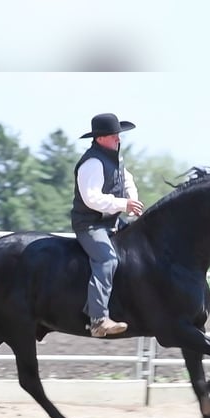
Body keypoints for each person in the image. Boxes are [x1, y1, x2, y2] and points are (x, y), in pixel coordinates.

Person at [71, 113, 144, 338]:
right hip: (90, 225)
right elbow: (91, 198)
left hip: (110, 221)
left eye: (118, 136)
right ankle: (98, 320)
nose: (118, 140)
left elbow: (127, 180)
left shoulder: (113, 159)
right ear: (101, 138)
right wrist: (124, 204)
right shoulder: (92, 163)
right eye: (114, 136)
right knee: (107, 259)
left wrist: (132, 199)